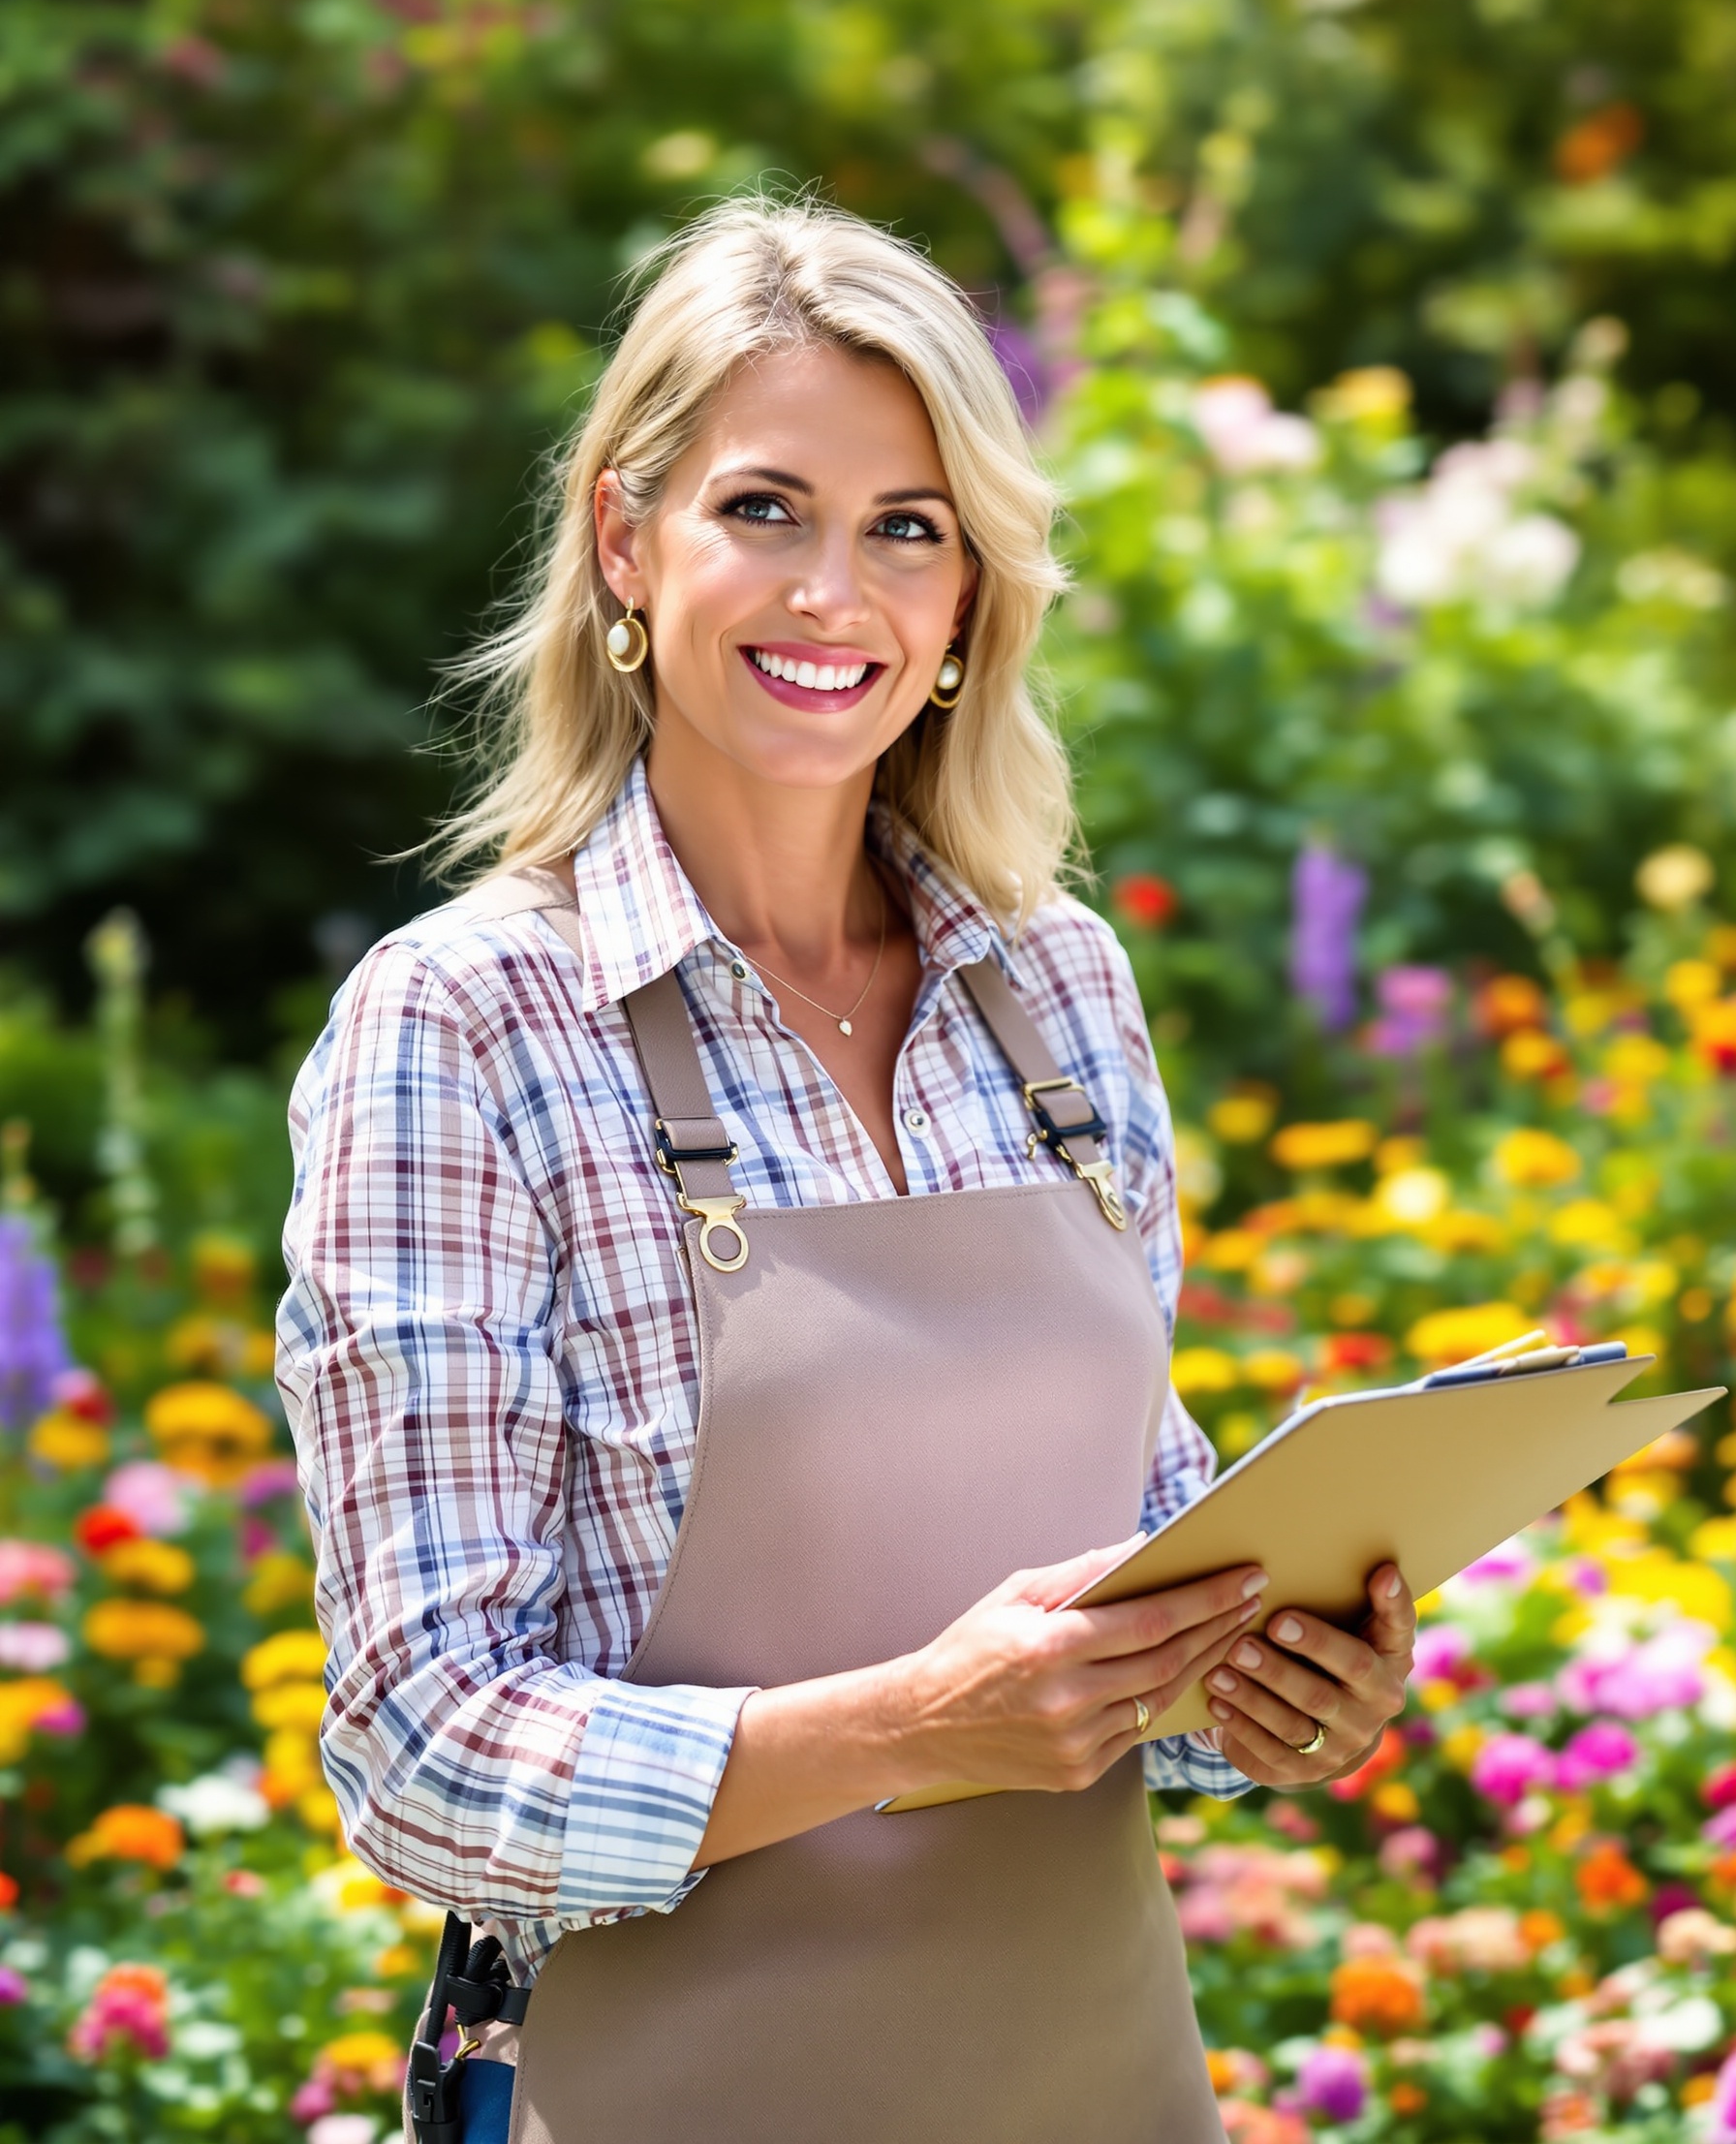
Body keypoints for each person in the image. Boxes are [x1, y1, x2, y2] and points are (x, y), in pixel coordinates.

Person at [276, 198, 1416, 2144]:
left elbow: (1128, 1541)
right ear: (625, 543)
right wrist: (904, 1727)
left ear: (971, 594)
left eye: (907, 525)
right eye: (764, 508)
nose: (835, 592)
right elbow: (419, 1751)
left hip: (1096, 2083)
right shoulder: (464, 1024)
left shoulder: (1051, 986)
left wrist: (1262, 1683)